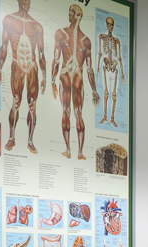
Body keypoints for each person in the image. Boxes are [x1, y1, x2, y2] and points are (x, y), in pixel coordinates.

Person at [0, 0, 47, 154]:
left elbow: (41, 54)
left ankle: (30, 141)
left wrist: (44, 77)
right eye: (25, 0)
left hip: (32, 66)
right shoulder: (9, 20)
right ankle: (12, 137)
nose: (28, 2)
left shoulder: (37, 26)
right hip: (17, 64)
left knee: (32, 105)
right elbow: (4, 46)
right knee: (16, 101)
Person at [51, 4, 100, 160]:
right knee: (74, 113)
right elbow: (57, 60)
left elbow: (57, 60)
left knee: (71, 112)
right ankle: (75, 151)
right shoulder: (83, 40)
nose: (69, 15)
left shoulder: (75, 38)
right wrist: (52, 81)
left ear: (78, 16)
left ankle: (75, 151)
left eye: (71, 13)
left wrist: (94, 90)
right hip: (73, 76)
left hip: (69, 75)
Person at [96, 16, 125, 127]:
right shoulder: (101, 37)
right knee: (106, 93)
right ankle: (105, 116)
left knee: (114, 94)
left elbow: (120, 58)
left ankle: (112, 118)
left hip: (114, 68)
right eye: (108, 24)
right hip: (105, 67)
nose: (110, 27)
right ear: (106, 25)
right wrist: (97, 68)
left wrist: (123, 73)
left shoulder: (117, 41)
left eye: (112, 25)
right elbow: (100, 53)